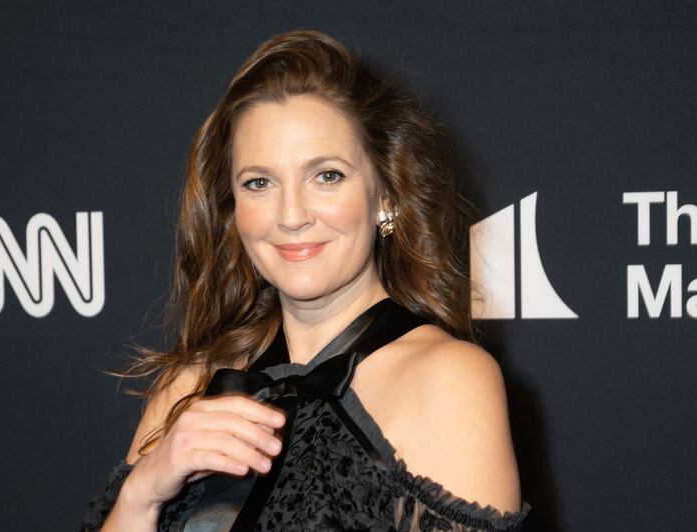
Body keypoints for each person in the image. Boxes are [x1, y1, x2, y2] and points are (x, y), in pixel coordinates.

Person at [80, 29, 531, 531]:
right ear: (233, 211)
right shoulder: (187, 384)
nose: (290, 214)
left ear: (386, 193)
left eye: (327, 176)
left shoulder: (448, 380)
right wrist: (143, 493)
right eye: (259, 183)